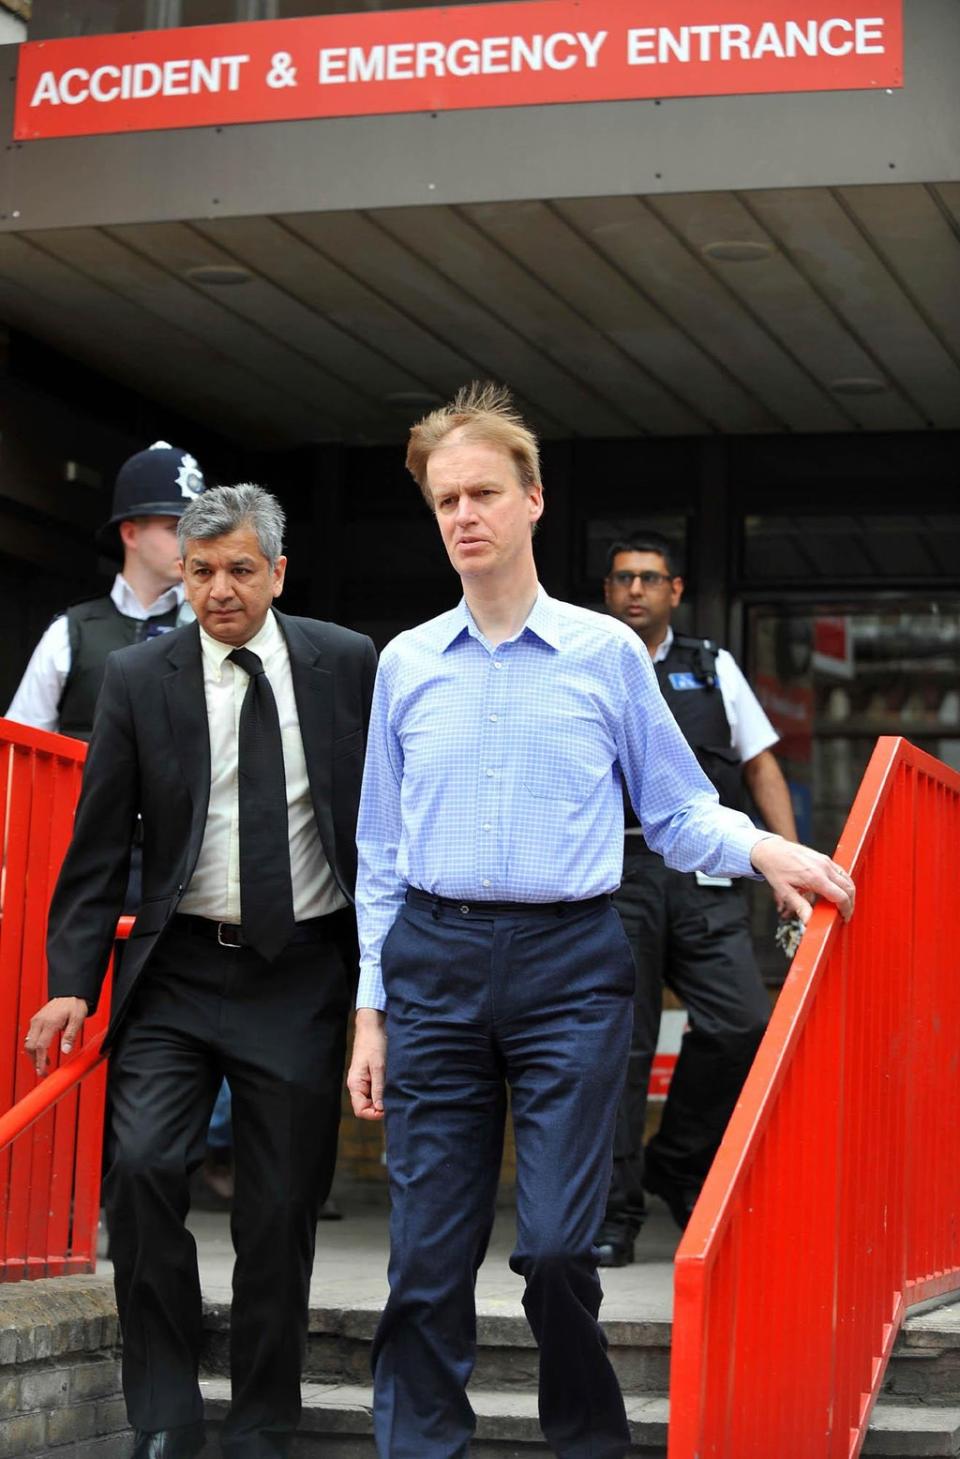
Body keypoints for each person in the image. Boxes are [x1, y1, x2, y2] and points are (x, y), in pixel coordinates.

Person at [346, 381, 854, 1459]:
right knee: (426, 1256)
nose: (464, 515)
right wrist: (370, 1009)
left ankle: (585, 1442)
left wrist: (767, 849)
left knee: (563, 1250)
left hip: (573, 965)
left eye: (484, 492)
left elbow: (674, 809)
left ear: (534, 500)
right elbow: (381, 852)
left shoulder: (605, 655)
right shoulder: (404, 664)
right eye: (445, 500)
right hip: (432, 962)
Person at [24, 484, 377, 1459]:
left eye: (239, 569)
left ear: (278, 572)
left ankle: (263, 1418)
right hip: (175, 973)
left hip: (302, 974)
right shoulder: (141, 677)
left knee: (277, 1211)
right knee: (138, 1172)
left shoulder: (345, 664)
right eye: (201, 570)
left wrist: (380, 988)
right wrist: (71, 979)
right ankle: (167, 1413)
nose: (219, 590)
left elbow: (384, 828)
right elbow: (98, 847)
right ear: (179, 573)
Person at [595, 533, 798, 1268]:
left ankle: (675, 1159)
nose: (636, 590)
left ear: (675, 590)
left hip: (707, 873)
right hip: (618, 871)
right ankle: (615, 1214)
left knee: (742, 1022)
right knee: (622, 1046)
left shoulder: (712, 666)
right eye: (623, 579)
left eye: (649, 578)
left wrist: (787, 861)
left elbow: (761, 764)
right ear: (609, 590)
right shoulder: (589, 660)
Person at [7, 441, 205, 740]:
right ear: (130, 533)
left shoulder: (212, 632)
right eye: (175, 528)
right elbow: (19, 750)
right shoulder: (70, 632)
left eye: (197, 531)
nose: (190, 543)